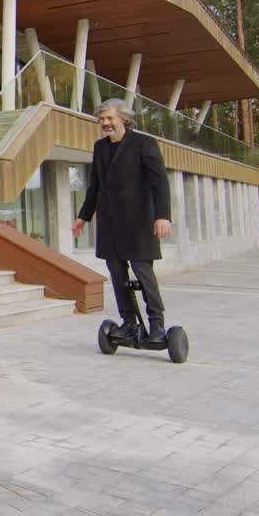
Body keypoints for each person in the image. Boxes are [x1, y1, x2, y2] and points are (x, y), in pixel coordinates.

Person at [72, 98, 173, 341]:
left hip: (138, 222)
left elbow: (159, 181)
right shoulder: (100, 147)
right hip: (110, 224)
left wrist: (163, 216)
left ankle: (157, 325)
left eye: (109, 118)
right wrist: (84, 216)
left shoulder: (144, 144)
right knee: (117, 274)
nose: (105, 123)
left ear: (124, 119)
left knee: (143, 271)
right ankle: (129, 323)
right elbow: (95, 185)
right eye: (102, 119)